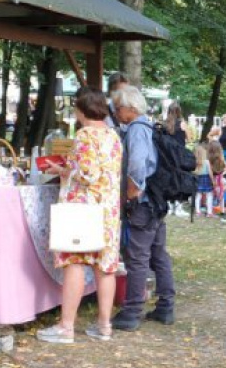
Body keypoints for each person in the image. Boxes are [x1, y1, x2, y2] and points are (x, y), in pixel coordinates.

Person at [36, 88, 123, 344]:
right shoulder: (113, 136)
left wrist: (64, 171)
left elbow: (87, 174)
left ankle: (66, 327)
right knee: (105, 266)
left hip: (82, 208)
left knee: (75, 262)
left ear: (81, 111)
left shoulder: (85, 136)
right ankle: (104, 325)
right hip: (107, 209)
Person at [111, 86, 176, 330]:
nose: (116, 113)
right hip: (157, 202)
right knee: (159, 254)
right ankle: (165, 307)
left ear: (131, 108)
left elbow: (137, 165)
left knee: (137, 258)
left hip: (143, 203)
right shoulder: (150, 126)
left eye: (118, 108)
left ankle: (131, 312)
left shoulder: (137, 130)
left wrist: (130, 195)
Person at [192, 143, 214, 217]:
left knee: (198, 196)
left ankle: (198, 211)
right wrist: (213, 181)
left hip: (197, 179)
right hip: (206, 179)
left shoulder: (194, 163)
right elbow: (210, 172)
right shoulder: (207, 162)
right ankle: (209, 212)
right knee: (209, 195)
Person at [206, 140, 226, 216]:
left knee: (210, 195)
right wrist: (222, 174)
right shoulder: (221, 159)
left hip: (211, 180)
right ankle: (223, 210)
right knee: (221, 196)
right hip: (220, 180)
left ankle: (209, 211)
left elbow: (209, 172)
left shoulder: (208, 160)